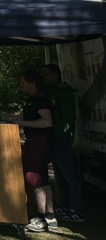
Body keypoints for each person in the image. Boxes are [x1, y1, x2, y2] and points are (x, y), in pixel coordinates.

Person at [15, 71, 59, 232]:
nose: (20, 85)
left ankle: (41, 219)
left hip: (40, 142)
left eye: (22, 82)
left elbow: (47, 122)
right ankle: (50, 216)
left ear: (32, 83)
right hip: (36, 142)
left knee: (33, 178)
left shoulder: (40, 99)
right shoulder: (32, 99)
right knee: (43, 179)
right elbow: (21, 118)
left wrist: (22, 123)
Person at [41, 64, 84, 222]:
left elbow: (68, 117)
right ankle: (65, 205)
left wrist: (60, 133)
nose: (43, 77)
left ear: (55, 75)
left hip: (62, 140)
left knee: (69, 174)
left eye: (46, 74)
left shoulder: (64, 92)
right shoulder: (51, 90)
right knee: (59, 174)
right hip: (54, 138)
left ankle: (77, 210)